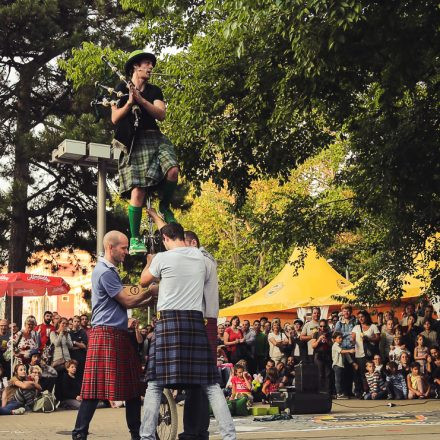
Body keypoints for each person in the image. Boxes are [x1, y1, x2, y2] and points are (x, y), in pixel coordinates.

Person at [139, 222, 236, 440]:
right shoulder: (202, 258)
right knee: (211, 385)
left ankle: (146, 437)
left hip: (168, 323)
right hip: (194, 322)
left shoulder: (162, 258)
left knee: (155, 385)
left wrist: (150, 262)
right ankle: (230, 437)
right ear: (183, 236)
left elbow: (143, 281)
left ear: (165, 239)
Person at [72, 231, 155, 440]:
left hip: (115, 334)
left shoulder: (109, 270)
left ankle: (137, 435)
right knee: (95, 390)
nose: (127, 252)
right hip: (106, 334)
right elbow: (126, 301)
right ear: (111, 247)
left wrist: (147, 299)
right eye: (124, 248)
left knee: (133, 387)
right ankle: (79, 434)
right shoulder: (105, 271)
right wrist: (150, 293)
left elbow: (125, 299)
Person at [111, 50, 179, 255]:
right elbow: (114, 118)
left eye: (151, 64)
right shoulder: (120, 88)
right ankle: (135, 239)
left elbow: (161, 114)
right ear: (135, 66)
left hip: (155, 138)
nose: (150, 67)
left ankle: (165, 206)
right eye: (147, 63)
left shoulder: (154, 90)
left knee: (173, 170)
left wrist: (141, 101)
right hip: (134, 141)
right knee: (138, 190)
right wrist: (130, 102)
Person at [351, 310, 380, 397]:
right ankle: (362, 391)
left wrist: (369, 338)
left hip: (370, 353)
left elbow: (378, 338)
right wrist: (352, 341)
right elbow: (352, 338)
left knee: (371, 373)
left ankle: (372, 391)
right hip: (359, 354)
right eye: (359, 317)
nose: (361, 319)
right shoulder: (356, 327)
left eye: (362, 317)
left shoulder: (373, 326)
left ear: (366, 317)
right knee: (361, 374)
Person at [332, 331, 355, 399]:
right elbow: (341, 351)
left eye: (341, 338)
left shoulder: (341, 345)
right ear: (335, 339)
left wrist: (352, 363)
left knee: (342, 380)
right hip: (337, 365)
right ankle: (339, 394)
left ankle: (342, 393)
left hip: (341, 365)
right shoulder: (335, 345)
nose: (341, 339)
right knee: (338, 380)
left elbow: (347, 355)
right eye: (339, 338)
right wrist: (350, 350)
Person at [69, 315, 88, 381]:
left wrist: (74, 342)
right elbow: (70, 347)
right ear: (72, 322)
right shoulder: (69, 333)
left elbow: (84, 346)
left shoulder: (83, 332)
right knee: (72, 377)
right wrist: (79, 345)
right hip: (72, 358)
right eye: (75, 321)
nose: (76, 323)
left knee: (81, 377)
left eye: (78, 321)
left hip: (81, 359)